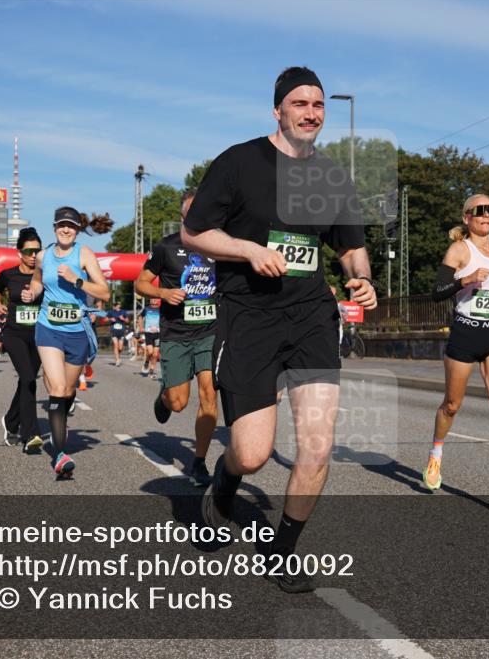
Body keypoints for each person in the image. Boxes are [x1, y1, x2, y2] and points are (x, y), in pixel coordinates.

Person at [182, 66, 377, 593]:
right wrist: (248, 250)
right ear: (278, 110)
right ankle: (224, 484)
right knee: (252, 453)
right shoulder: (240, 162)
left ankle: (283, 551)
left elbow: (350, 246)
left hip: (312, 316)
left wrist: (361, 279)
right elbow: (193, 230)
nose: (311, 113)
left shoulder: (332, 176)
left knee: (317, 445)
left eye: (318, 106)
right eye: (300, 104)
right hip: (248, 316)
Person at [425, 194, 489, 506]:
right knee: (452, 405)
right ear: (467, 217)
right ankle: (436, 453)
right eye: (479, 211)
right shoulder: (459, 249)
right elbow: (437, 292)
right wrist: (466, 279)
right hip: (465, 335)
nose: (486, 216)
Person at [137, 187, 219, 487]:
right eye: (193, 211)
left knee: (210, 392)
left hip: (210, 332)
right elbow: (140, 283)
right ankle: (164, 395)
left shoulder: (220, 247)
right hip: (176, 334)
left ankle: (199, 462)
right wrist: (163, 292)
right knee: (179, 402)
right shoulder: (166, 247)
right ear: (182, 214)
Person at [26, 206, 112, 479]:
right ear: (54, 227)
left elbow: (104, 293)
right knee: (58, 386)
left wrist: (77, 280)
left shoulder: (83, 254)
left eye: (71, 226)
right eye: (62, 225)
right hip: (48, 327)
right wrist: (32, 292)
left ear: (77, 230)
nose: (66, 229)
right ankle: (60, 455)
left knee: (67, 390)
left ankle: (62, 410)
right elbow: (38, 281)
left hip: (77, 331)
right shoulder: (43, 256)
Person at [0, 227, 45, 453]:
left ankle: (11, 421)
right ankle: (31, 434)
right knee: (27, 378)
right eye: (29, 251)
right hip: (14, 334)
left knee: (28, 380)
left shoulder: (44, 275)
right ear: (19, 253)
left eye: (37, 251)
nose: (33, 255)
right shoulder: (8, 274)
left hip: (39, 335)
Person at [138, 298, 162, 379]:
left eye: (155, 299)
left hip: (158, 333)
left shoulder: (160, 309)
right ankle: (146, 362)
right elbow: (140, 317)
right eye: (152, 299)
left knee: (155, 354)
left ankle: (152, 370)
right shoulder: (146, 309)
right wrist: (141, 327)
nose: (154, 300)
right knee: (150, 352)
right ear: (150, 300)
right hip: (148, 333)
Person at [105, 301, 129, 366]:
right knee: (116, 345)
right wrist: (110, 319)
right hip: (114, 331)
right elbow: (105, 319)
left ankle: (118, 356)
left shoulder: (123, 312)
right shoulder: (111, 312)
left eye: (118, 305)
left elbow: (127, 320)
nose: (118, 306)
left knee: (120, 348)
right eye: (116, 305)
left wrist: (123, 318)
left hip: (121, 331)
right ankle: (117, 360)